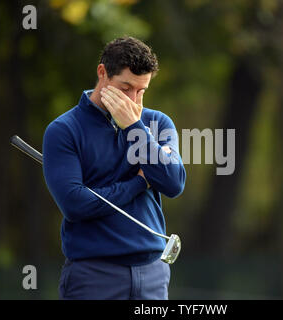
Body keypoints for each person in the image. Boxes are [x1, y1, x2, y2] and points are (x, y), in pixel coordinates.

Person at [42, 37, 186, 300]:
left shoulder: (157, 123)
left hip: (153, 272)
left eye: (141, 91)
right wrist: (140, 182)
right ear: (102, 73)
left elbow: (174, 183)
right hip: (94, 274)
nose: (133, 99)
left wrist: (133, 126)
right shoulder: (63, 130)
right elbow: (76, 205)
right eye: (126, 87)